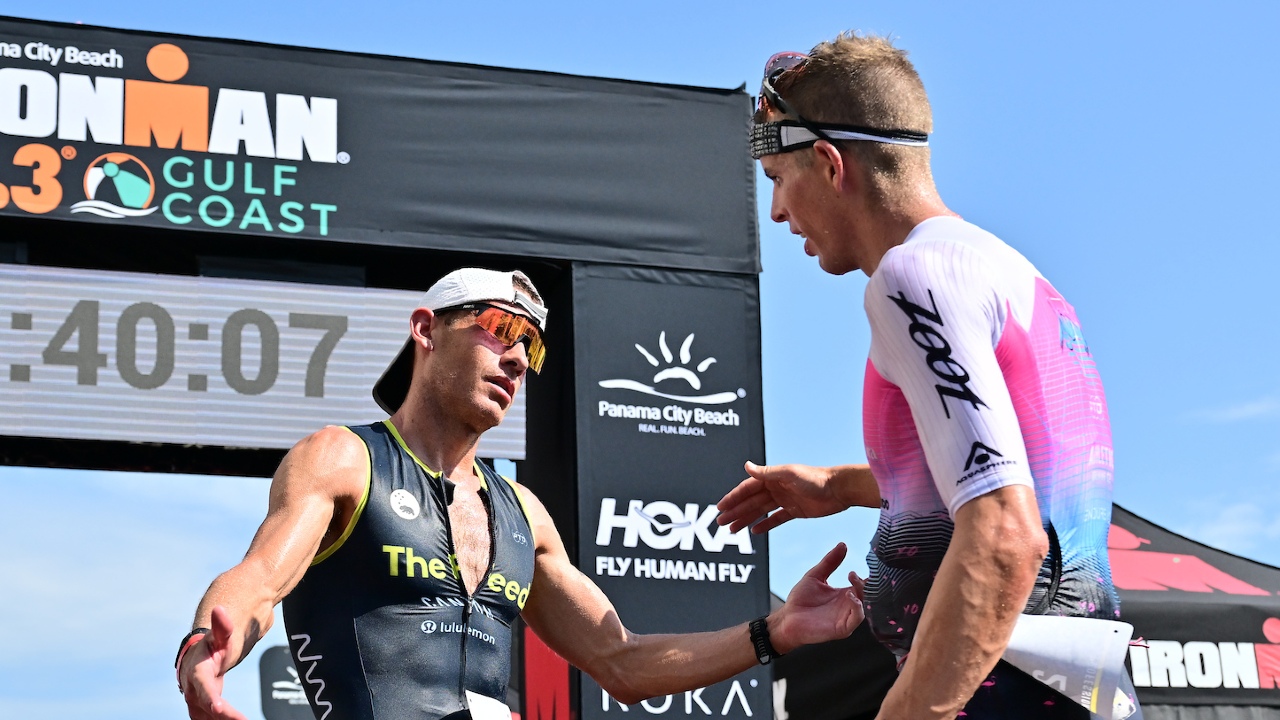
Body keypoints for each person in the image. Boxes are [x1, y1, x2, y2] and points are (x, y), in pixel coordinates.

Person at [177, 267, 864, 720]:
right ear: (425, 330)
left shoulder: (522, 516)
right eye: (500, 329)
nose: (515, 358)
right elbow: (257, 584)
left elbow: (621, 661)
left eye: (530, 346)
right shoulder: (344, 460)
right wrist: (205, 650)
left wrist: (771, 633)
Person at [715, 35, 1140, 720]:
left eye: (777, 181)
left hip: (999, 691)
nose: (777, 213)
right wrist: (840, 486)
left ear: (828, 164)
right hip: (1071, 690)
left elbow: (1006, 532)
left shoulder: (913, 278)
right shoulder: (1015, 275)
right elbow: (1023, 472)